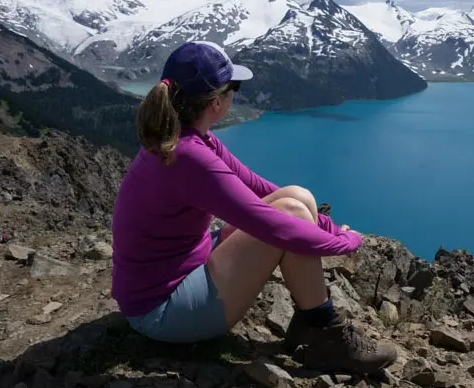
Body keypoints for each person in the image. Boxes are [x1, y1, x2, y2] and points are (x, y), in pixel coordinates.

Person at [111, 41, 398, 375]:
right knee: (288, 217)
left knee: (296, 196)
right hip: (161, 312)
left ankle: (312, 327)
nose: (237, 94)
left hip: (180, 271)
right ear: (217, 102)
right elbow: (269, 224)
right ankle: (325, 336)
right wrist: (347, 244)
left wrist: (328, 226)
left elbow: (258, 187)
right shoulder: (187, 156)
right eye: (234, 87)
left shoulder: (189, 138)